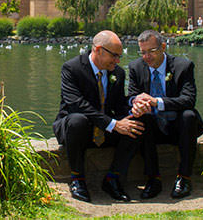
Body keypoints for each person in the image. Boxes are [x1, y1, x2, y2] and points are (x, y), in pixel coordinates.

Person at [53, 30, 144, 203]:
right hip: (76, 130)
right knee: (77, 120)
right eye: (115, 56)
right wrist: (113, 124)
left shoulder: (117, 73)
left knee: (136, 124)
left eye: (119, 56)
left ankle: (113, 179)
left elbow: (118, 106)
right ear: (99, 50)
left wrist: (135, 108)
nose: (118, 61)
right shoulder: (71, 69)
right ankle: (77, 179)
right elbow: (77, 105)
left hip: (103, 128)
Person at [128, 30, 203, 200]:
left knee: (189, 115)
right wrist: (136, 103)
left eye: (151, 51)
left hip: (178, 127)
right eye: (143, 52)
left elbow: (188, 99)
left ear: (163, 47)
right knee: (143, 117)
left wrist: (157, 101)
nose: (147, 57)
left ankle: (184, 178)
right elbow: (132, 95)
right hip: (152, 129)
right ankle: (153, 179)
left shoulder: (183, 66)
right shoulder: (135, 67)